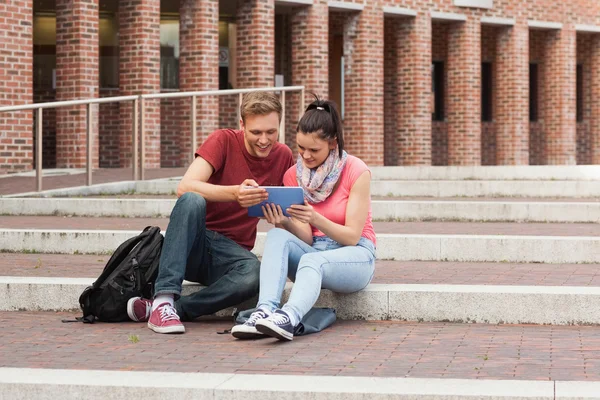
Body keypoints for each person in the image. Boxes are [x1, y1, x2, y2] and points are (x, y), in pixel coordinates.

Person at [127, 91, 294, 334]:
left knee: (255, 273)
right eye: (256, 132)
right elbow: (185, 186)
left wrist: (281, 218)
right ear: (242, 125)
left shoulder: (284, 155)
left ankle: (173, 309)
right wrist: (235, 193)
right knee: (192, 199)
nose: (264, 140)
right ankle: (164, 298)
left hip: (230, 255)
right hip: (194, 243)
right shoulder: (223, 140)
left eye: (271, 132)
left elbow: (288, 209)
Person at [231, 97, 376, 341]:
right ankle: (264, 310)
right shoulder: (293, 175)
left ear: (333, 144)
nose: (305, 156)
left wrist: (315, 218)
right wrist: (284, 221)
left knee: (313, 261)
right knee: (278, 235)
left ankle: (288, 317)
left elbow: (352, 236)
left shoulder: (356, 170)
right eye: (300, 148)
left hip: (356, 256)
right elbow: (307, 237)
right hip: (313, 251)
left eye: (313, 150)